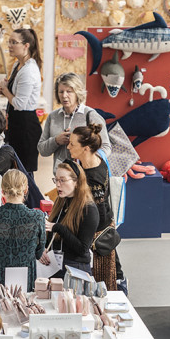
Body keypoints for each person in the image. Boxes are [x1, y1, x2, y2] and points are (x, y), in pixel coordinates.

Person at [66, 123, 120, 290]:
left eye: (72, 144)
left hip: (97, 238)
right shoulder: (91, 162)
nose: (68, 147)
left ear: (86, 148)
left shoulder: (93, 177)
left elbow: (98, 215)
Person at [0, 169, 47, 290]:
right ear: (25, 190)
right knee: (25, 306)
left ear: (2, 190)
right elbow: (38, 253)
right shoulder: (38, 217)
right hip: (26, 275)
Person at [37, 72, 111, 171]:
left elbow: (106, 147)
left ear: (77, 93)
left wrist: (87, 161)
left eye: (69, 91)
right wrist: (56, 141)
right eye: (61, 92)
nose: (64, 95)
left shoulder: (91, 115)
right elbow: (42, 150)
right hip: (61, 177)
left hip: (86, 178)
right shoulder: (52, 117)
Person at [0, 28, 42, 175]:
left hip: (26, 126)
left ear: (26, 46)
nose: (10, 45)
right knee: (14, 169)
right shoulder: (18, 65)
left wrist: (5, 90)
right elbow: (13, 92)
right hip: (16, 123)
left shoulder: (29, 71)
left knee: (24, 172)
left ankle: (30, 198)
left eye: (14, 42)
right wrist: (3, 89)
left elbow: (20, 104)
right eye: (9, 42)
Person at [39, 162, 99, 277]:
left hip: (76, 268)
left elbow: (82, 249)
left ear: (76, 182)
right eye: (56, 180)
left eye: (62, 180)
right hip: (54, 266)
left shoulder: (88, 208)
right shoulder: (60, 201)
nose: (57, 185)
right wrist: (43, 249)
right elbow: (51, 235)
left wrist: (58, 228)